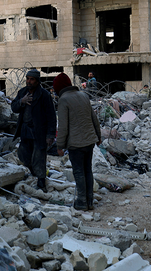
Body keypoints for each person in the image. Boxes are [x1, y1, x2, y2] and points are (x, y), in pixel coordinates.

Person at [53, 73, 101, 211]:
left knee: (79, 172)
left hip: (76, 143)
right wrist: (98, 136)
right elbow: (94, 118)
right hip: (89, 141)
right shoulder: (83, 95)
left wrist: (60, 145)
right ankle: (89, 201)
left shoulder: (64, 100)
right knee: (87, 171)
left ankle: (81, 202)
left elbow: (63, 126)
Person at [11, 69, 57, 189]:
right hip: (25, 130)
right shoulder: (22, 93)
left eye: (32, 79)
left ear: (37, 81)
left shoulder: (44, 95)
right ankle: (33, 172)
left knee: (39, 157)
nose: (29, 81)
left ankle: (41, 181)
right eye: (27, 79)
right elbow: (14, 107)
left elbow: (51, 116)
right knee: (23, 155)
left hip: (39, 131)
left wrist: (50, 134)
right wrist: (22, 101)